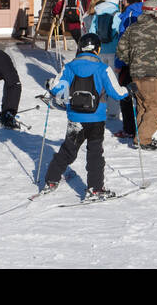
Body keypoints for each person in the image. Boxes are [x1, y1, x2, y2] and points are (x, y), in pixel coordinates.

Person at [39, 34, 129, 198]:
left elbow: (57, 89)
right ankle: (95, 188)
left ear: (80, 48)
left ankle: (51, 179)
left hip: (75, 117)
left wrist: (50, 84)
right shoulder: (103, 68)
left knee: (68, 149)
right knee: (95, 153)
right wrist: (129, 89)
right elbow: (116, 93)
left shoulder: (69, 67)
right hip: (96, 118)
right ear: (98, 49)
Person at [117, 0, 157, 149]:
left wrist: (133, 61)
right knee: (155, 105)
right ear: (154, 12)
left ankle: (138, 134)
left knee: (142, 105)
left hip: (135, 73)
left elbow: (120, 50)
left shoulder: (132, 28)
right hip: (152, 73)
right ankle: (143, 138)